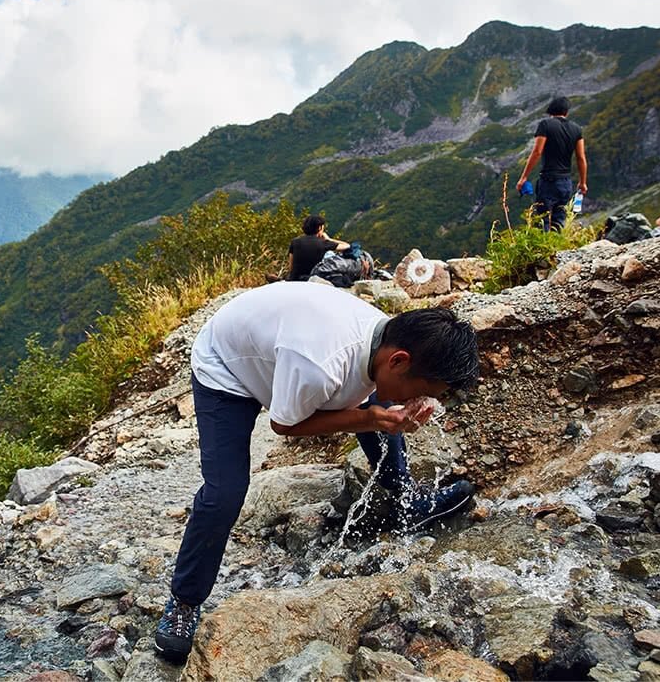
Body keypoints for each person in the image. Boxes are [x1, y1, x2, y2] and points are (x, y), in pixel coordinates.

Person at [154, 283, 480, 664]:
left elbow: (377, 396)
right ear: (399, 361)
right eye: (421, 391)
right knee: (225, 492)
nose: (417, 401)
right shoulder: (320, 366)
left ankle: (405, 502)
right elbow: (284, 424)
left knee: (381, 412)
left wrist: (385, 412)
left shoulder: (386, 338)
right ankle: (184, 601)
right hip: (228, 368)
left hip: (280, 350)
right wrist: (367, 417)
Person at [516, 96, 588, 232]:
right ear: (566, 112)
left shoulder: (546, 125)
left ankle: (544, 251)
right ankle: (558, 251)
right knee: (559, 221)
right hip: (566, 182)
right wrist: (583, 182)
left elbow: (537, 151)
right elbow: (581, 157)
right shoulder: (577, 129)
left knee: (542, 221)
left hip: (548, 181)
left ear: (550, 111)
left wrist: (524, 177)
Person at [270, 215, 348, 282]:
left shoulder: (295, 242)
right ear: (319, 228)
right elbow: (347, 246)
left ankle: (280, 280)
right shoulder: (324, 243)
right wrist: (329, 239)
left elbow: (291, 267)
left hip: (295, 279)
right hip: (313, 279)